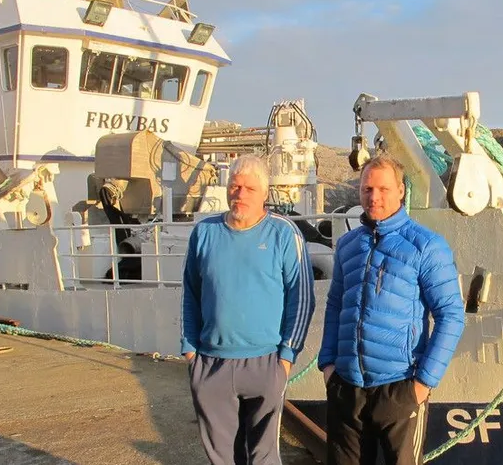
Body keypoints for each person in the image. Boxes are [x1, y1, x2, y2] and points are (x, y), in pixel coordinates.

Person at [318, 155, 466, 465]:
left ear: (400, 191)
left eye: (383, 189)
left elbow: (451, 315)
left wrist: (422, 384)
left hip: (399, 387)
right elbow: (335, 305)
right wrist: (328, 365)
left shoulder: (426, 246)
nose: (374, 197)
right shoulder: (348, 245)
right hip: (347, 388)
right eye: (367, 189)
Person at [181, 154, 315, 465]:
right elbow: (190, 293)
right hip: (211, 363)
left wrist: (285, 357)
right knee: (221, 458)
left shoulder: (284, 233)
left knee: (263, 456)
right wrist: (190, 350)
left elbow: (302, 297)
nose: (240, 194)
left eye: (249, 188)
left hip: (265, 361)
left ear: (265, 193)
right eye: (235, 186)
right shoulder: (204, 232)